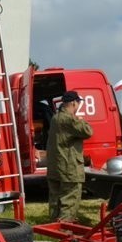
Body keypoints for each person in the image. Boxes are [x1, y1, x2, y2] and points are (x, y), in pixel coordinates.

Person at [46, 90, 93, 222]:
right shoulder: (69, 119)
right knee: (70, 198)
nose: (78, 106)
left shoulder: (55, 117)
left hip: (55, 165)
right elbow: (88, 132)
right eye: (78, 103)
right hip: (69, 166)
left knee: (55, 198)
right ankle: (64, 229)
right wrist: (82, 120)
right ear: (73, 103)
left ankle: (53, 224)